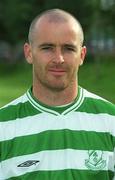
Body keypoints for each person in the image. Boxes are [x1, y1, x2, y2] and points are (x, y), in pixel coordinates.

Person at [0, 8, 115, 180]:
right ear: (29, 53)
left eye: (68, 48)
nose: (59, 58)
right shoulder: (3, 125)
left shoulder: (110, 120)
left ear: (82, 55)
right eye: (47, 48)